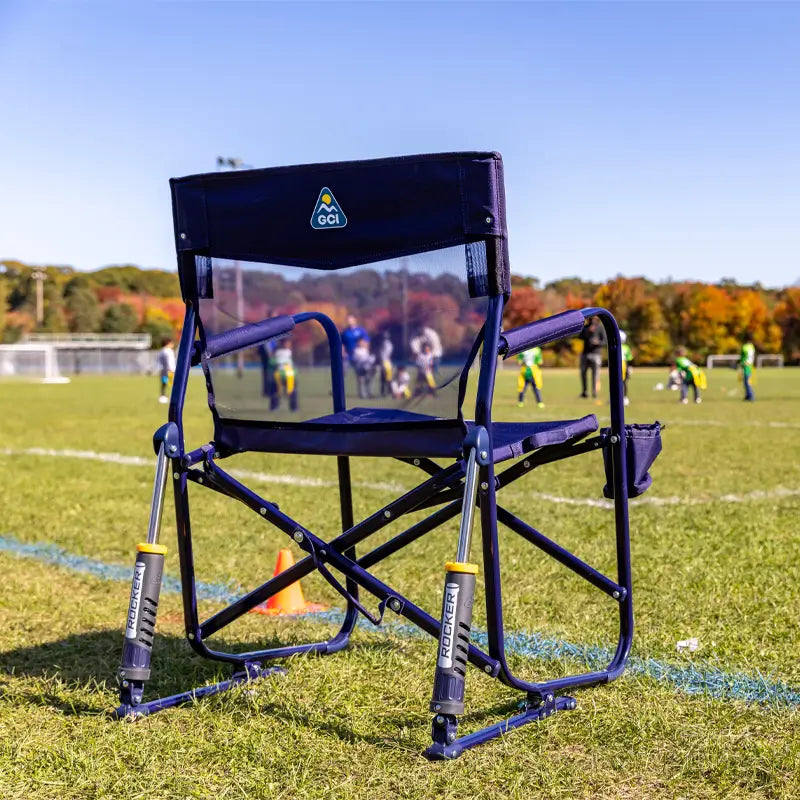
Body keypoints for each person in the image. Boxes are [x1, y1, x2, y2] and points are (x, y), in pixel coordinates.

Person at [579, 319, 605, 399]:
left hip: (596, 354)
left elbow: (605, 341)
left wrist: (598, 343)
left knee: (595, 374)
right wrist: (588, 331)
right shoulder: (586, 327)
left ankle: (594, 392)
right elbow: (580, 336)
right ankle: (584, 392)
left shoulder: (600, 327)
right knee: (583, 373)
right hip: (585, 354)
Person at [270, 339, 298, 412]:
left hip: (289, 375)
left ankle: (294, 407)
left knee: (292, 391)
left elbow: (293, 364)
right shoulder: (276, 351)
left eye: (288, 343)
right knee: (276, 391)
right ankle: (274, 407)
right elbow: (271, 362)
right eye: (286, 343)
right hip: (279, 374)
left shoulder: (290, 352)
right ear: (281, 343)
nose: (288, 344)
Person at [157, 337, 176, 404]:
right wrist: (172, 370)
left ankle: (163, 396)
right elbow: (170, 362)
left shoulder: (161, 351)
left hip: (163, 370)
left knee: (164, 383)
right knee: (172, 384)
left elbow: (159, 362)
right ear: (168, 343)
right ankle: (172, 397)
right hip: (169, 370)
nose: (173, 344)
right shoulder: (169, 351)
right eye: (171, 343)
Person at [739, 332, 756, 402]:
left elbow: (745, 357)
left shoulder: (745, 347)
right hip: (749, 366)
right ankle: (747, 396)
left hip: (746, 366)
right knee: (746, 381)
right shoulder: (751, 346)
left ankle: (751, 396)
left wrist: (743, 363)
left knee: (747, 382)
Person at [377, 331, 394, 397]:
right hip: (386, 361)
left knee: (386, 378)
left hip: (386, 361)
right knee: (385, 378)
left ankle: (387, 392)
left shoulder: (386, 344)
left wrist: (382, 360)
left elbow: (384, 354)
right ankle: (385, 392)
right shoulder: (386, 343)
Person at [620, 331, 633, 406]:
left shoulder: (614, 346)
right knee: (624, 382)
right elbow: (630, 359)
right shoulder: (626, 347)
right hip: (624, 365)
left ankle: (624, 397)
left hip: (622, 365)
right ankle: (624, 397)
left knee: (622, 382)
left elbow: (629, 358)